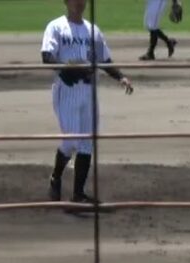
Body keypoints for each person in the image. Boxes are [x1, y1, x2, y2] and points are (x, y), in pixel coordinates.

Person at [41, 0, 133, 205]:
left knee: (87, 142)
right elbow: (47, 56)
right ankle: (56, 177)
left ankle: (78, 194)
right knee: (71, 141)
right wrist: (65, 70)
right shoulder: (56, 26)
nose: (79, 2)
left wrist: (120, 77)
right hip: (67, 90)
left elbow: (104, 60)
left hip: (89, 91)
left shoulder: (93, 31)